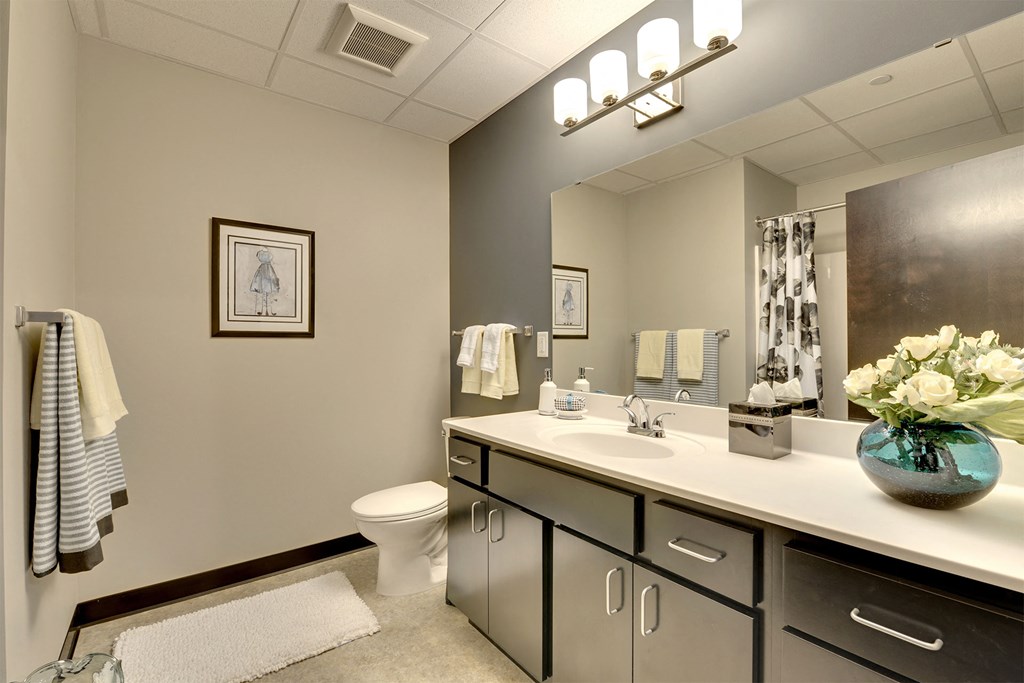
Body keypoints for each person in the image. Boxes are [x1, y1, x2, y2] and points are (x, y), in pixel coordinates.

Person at [249, 248, 280, 316]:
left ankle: (269, 311)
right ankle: (263, 311)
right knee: (264, 293)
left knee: (268, 293)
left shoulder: (266, 253)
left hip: (268, 271)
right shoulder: (260, 253)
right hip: (265, 271)